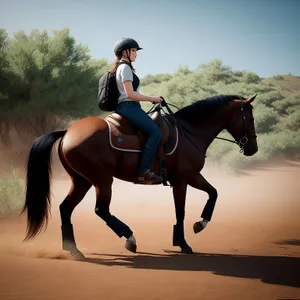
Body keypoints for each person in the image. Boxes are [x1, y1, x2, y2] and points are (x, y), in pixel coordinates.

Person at [112, 37, 163, 184]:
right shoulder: (125, 68)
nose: (136, 53)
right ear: (124, 52)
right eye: (133, 50)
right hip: (129, 106)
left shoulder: (123, 67)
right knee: (156, 132)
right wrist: (153, 98)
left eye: (135, 50)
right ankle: (144, 170)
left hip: (130, 107)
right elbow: (130, 94)